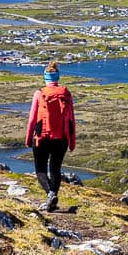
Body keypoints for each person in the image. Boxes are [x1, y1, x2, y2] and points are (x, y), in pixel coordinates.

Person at [25, 61, 77, 210]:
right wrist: (72, 141)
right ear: (58, 77)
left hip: (42, 137)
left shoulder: (39, 94)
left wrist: (28, 139)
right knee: (55, 169)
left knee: (40, 170)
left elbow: (32, 119)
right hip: (61, 138)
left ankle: (50, 194)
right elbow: (71, 119)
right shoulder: (66, 94)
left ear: (45, 77)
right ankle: (52, 200)